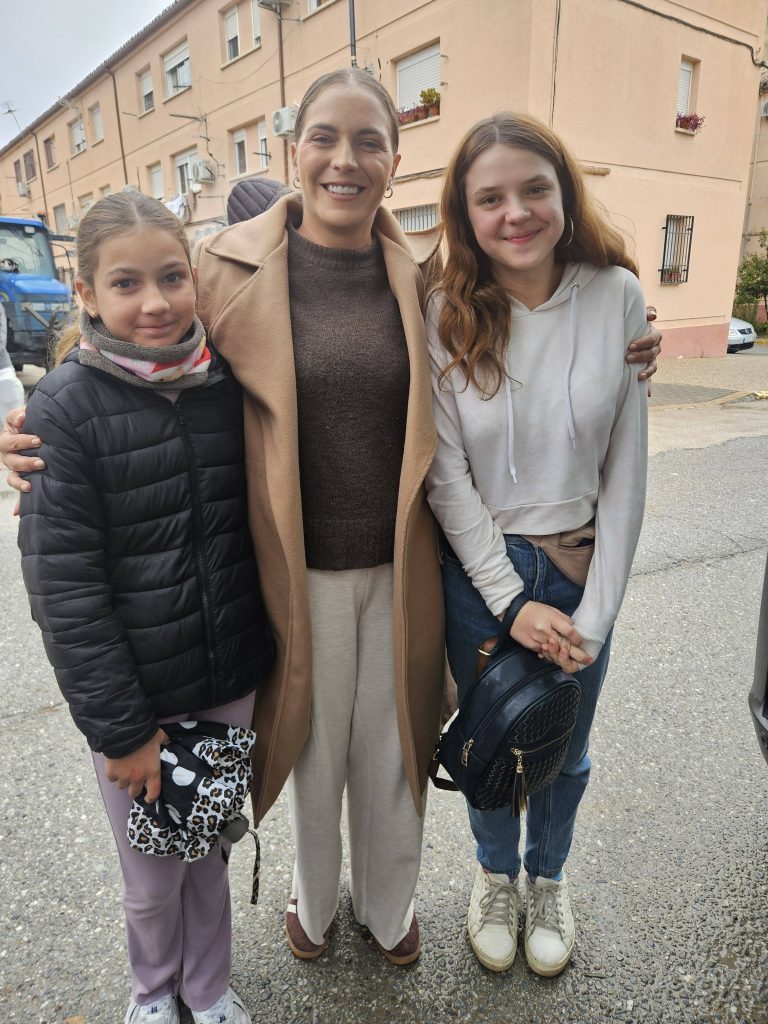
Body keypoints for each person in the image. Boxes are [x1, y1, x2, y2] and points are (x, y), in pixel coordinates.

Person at [1, 70, 661, 970]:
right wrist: (43, 417)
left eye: (368, 141)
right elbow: (142, 348)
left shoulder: (427, 278)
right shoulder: (224, 270)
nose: (344, 160)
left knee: (394, 748)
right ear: (293, 149)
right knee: (311, 748)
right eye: (324, 137)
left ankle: (389, 907)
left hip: (404, 559)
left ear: (394, 159)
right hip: (285, 563)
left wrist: (633, 338)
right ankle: (313, 902)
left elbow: (533, 336)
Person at [16, 191, 274, 1024]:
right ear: (86, 294)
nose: (155, 302)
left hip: (227, 678)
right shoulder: (64, 407)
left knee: (207, 852)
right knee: (151, 875)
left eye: (171, 277)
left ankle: (209, 988)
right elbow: (66, 590)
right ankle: (153, 992)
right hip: (135, 695)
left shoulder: (229, 382)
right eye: (126, 283)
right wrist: (122, 729)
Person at [425, 112, 649, 978]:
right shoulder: (446, 310)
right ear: (465, 212)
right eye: (490, 198)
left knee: (565, 751)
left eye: (534, 190)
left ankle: (547, 880)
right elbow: (448, 478)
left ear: (565, 195)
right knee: (490, 742)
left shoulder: (617, 297)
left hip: (580, 565)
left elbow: (627, 471)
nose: (515, 212)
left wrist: (596, 614)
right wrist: (509, 601)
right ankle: (494, 878)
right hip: (483, 572)